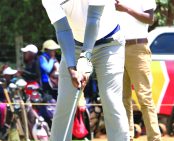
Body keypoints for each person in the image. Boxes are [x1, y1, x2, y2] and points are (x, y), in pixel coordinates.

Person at [42, 0, 129, 140]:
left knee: (111, 100)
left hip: (109, 43)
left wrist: (85, 58)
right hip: (74, 46)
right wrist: (71, 67)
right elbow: (63, 30)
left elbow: (94, 19)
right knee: (65, 103)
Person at [115, 0, 162, 141]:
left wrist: (126, 9)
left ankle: (154, 138)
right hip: (117, 48)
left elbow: (150, 19)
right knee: (123, 97)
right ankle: (127, 136)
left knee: (144, 97)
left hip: (137, 47)